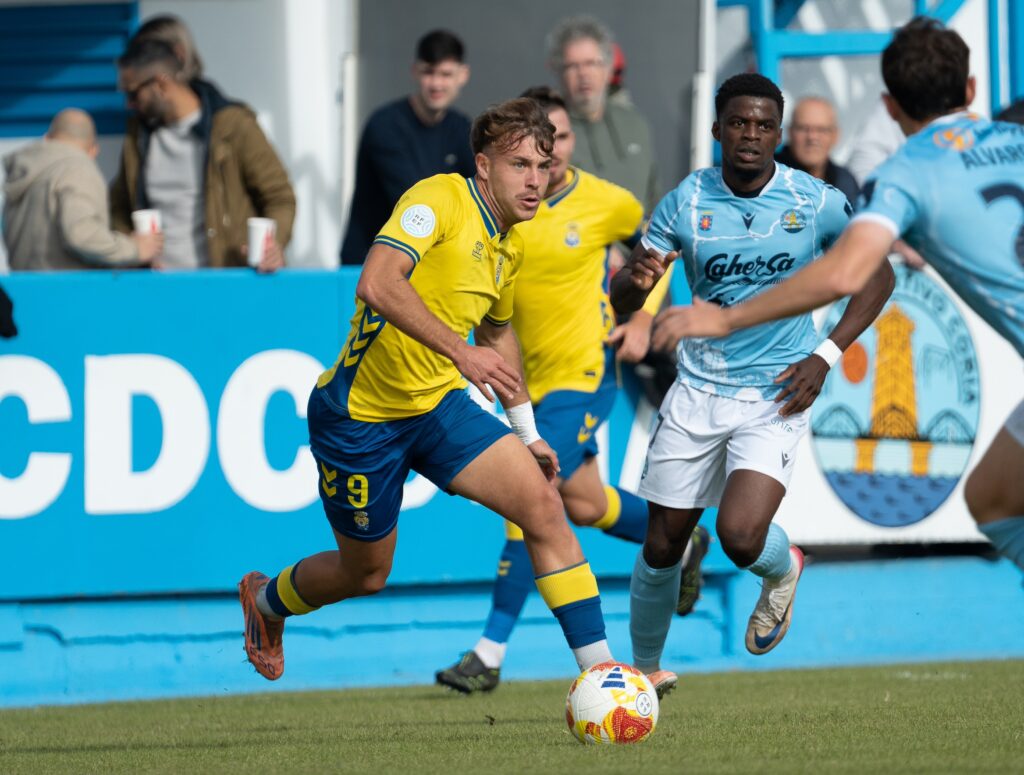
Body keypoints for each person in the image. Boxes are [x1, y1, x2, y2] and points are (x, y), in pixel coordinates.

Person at [238, 97, 617, 682]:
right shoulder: (438, 198)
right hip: (359, 418)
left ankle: (604, 676)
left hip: (438, 409)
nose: (535, 181)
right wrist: (460, 351)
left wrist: (528, 432)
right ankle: (266, 603)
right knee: (365, 574)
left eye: (543, 167)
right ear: (483, 166)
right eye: (520, 165)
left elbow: (497, 333)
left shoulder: (509, 244)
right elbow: (377, 282)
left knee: (544, 505)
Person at [643, 18, 1024, 576]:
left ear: (889, 107)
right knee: (990, 500)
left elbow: (848, 274)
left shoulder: (902, 177)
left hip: (760, 383)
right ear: (970, 91)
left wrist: (727, 321)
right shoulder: (1015, 138)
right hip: (711, 391)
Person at [610, 73, 895, 692]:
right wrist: (633, 282)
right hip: (697, 389)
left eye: (765, 125)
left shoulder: (815, 200)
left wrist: (825, 354)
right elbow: (627, 293)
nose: (751, 135)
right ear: (717, 129)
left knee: (741, 537)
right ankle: (645, 673)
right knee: (662, 545)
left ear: (779, 134)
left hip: (777, 390)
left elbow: (878, 278)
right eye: (739, 122)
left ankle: (783, 565)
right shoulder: (686, 201)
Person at [434, 87, 708, 695]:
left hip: (581, 376)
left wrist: (642, 316)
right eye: (531, 148)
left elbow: (660, 250)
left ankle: (489, 652)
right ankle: (682, 538)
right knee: (582, 503)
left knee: (526, 493)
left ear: (568, 142)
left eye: (551, 142)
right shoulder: (501, 208)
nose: (544, 157)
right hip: (523, 381)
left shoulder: (606, 202)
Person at [110, 38, 295, 271]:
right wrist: (131, 248)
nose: (128, 104)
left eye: (133, 94)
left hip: (223, 285)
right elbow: (118, 205)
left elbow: (279, 196)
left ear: (161, 84)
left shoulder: (233, 126)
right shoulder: (138, 138)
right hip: (156, 289)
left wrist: (273, 245)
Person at [340, 30, 475, 265]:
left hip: (427, 261)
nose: (436, 83)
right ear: (415, 71)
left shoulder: (462, 128)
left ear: (463, 75)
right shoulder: (385, 125)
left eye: (445, 74)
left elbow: (480, 190)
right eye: (428, 72)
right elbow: (414, 199)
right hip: (371, 263)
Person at [3, 109, 162, 270]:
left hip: (21, 290)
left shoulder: (23, 172)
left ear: (47, 139)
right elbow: (83, 234)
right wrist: (134, 249)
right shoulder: (78, 168)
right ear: (94, 150)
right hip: (66, 290)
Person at [547, 15, 658, 213]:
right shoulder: (545, 131)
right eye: (573, 66)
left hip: (638, 243)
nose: (583, 74)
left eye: (591, 63)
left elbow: (654, 198)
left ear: (608, 68)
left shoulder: (634, 123)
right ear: (558, 71)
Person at [775, 96, 860, 206]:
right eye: (803, 128)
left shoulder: (846, 182)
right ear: (789, 132)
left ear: (835, 135)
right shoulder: (767, 175)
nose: (812, 137)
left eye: (821, 130)